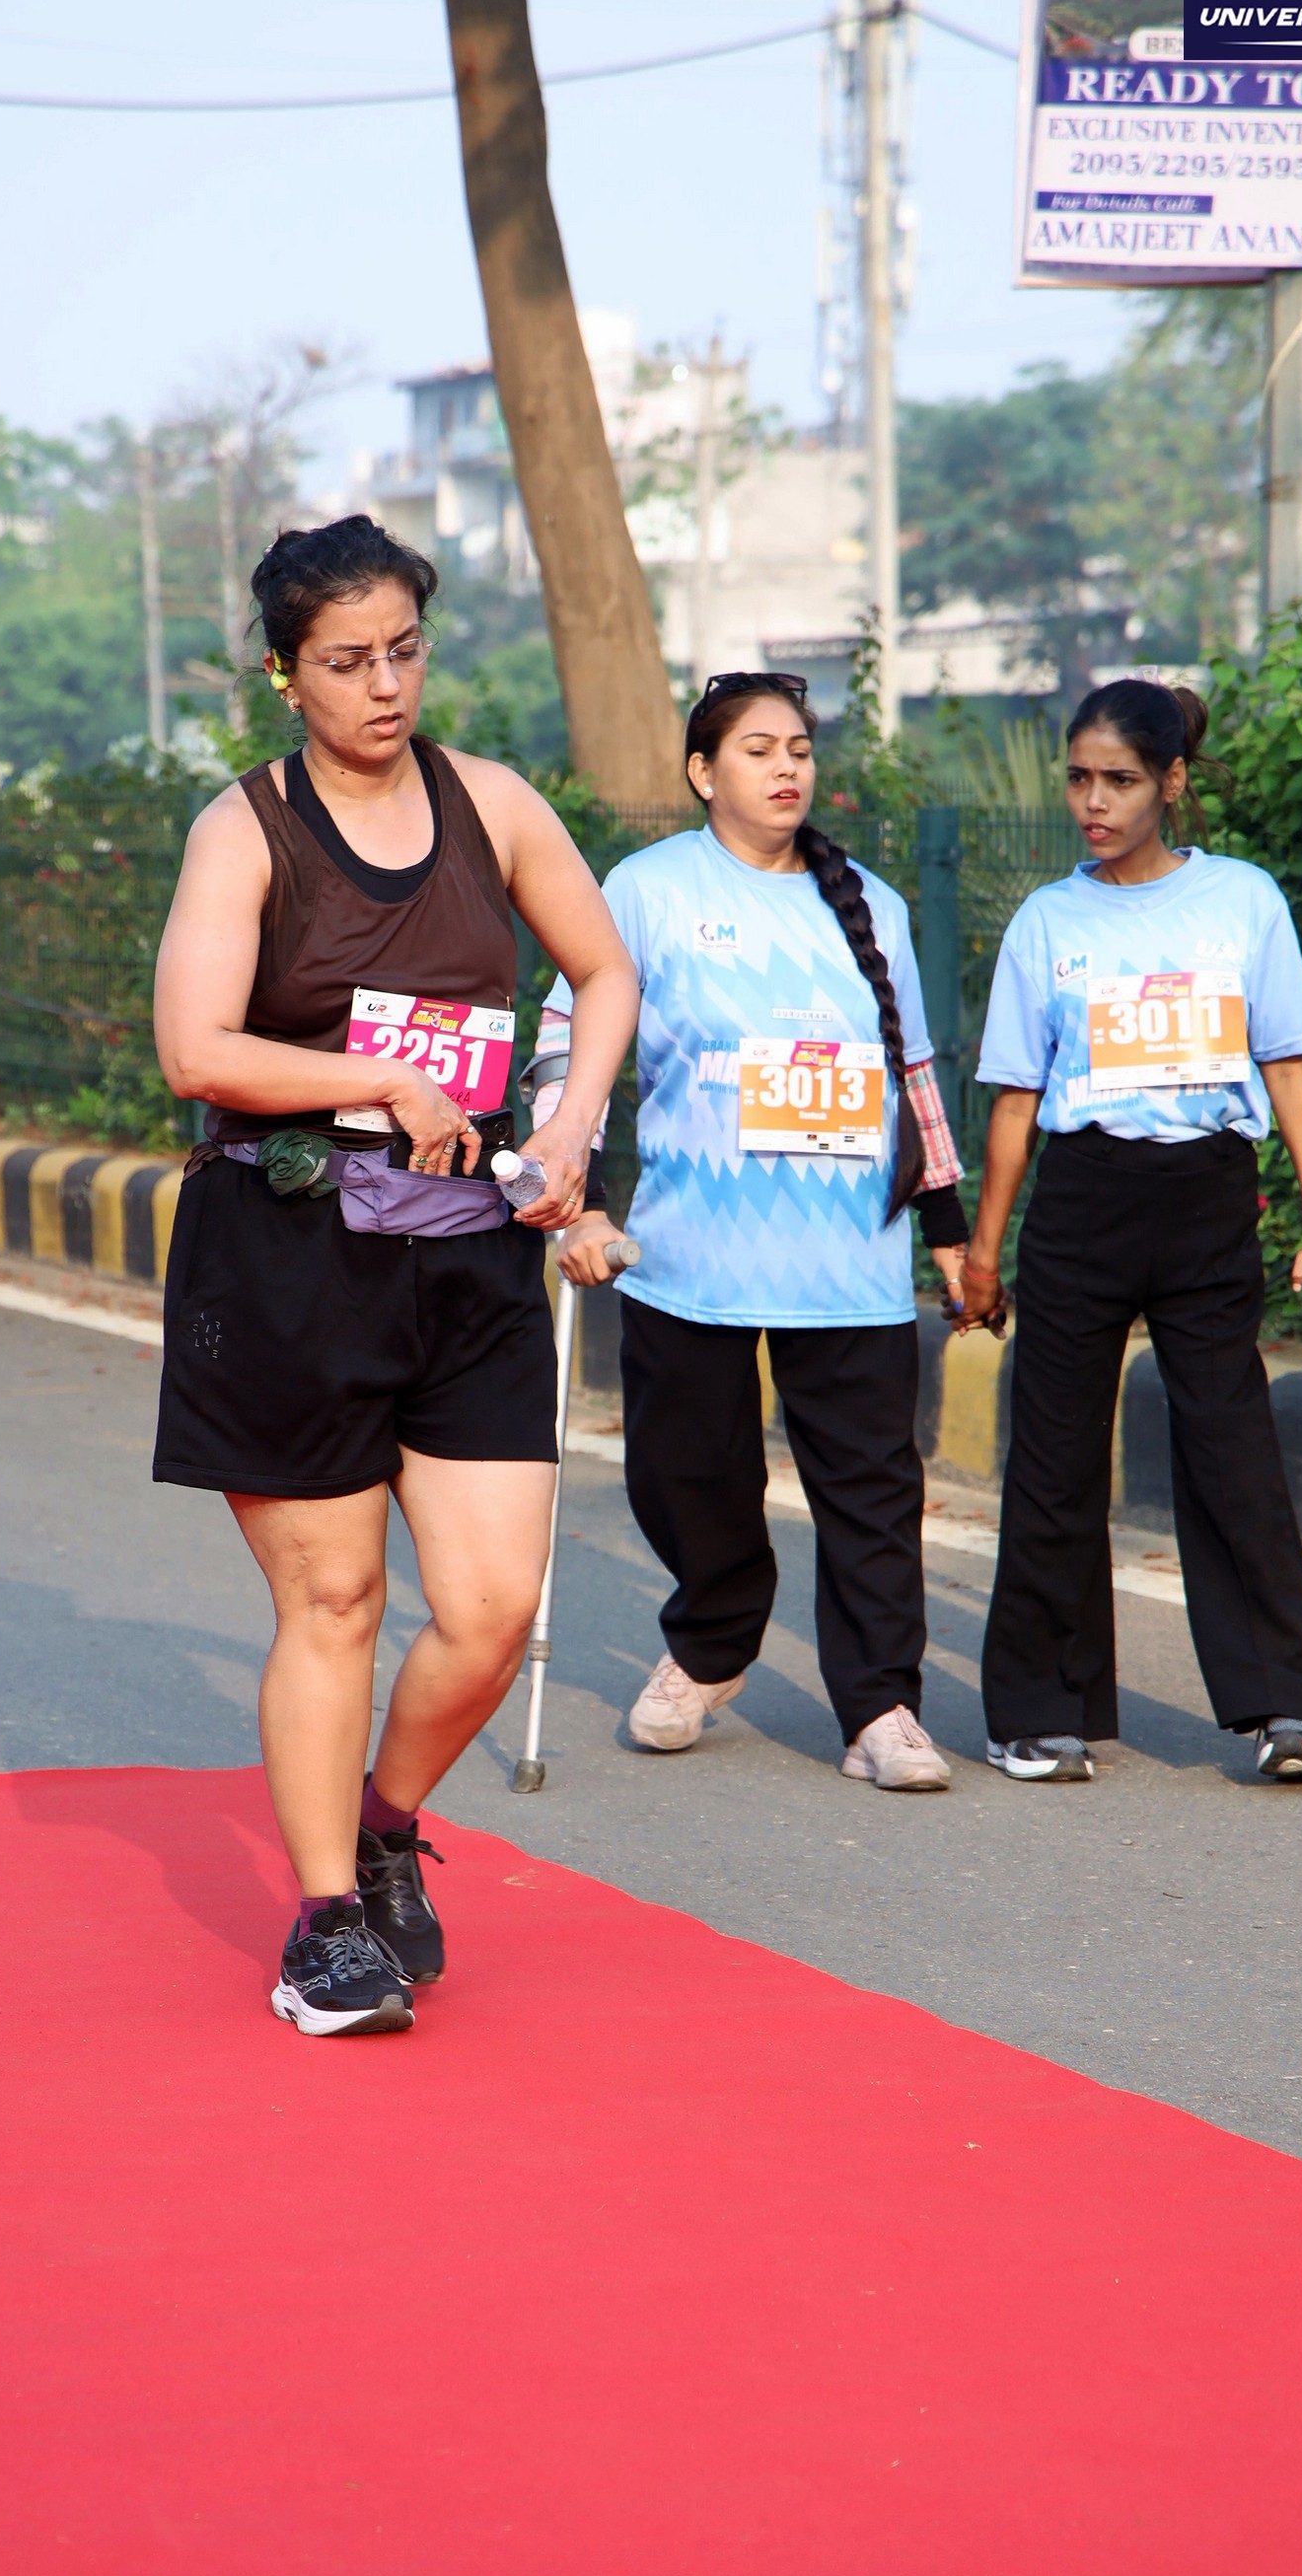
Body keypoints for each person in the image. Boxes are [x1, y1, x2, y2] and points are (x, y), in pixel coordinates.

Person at [153, 515, 637, 2035]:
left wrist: (569, 1125)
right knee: (340, 1596)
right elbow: (195, 1049)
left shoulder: (492, 805)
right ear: (286, 676)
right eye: (349, 661)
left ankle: (382, 1826)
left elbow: (603, 969)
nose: (384, 687)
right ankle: (322, 1929)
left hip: (469, 1251)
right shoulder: (246, 830)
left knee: (492, 1607)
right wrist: (374, 1076)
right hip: (286, 1252)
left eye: (405, 653)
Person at [537, 671, 973, 1790]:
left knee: (871, 1494)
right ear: (702, 772)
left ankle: (881, 1709)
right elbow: (567, 1044)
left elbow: (913, 1072)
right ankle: (712, 1640)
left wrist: (948, 1227)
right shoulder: (646, 891)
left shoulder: (873, 904)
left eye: (800, 750)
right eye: (758, 750)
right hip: (689, 1257)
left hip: (848, 1261)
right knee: (683, 1476)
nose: (786, 769)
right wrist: (574, 1200)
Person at [961, 676, 1302, 1789]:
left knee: (1232, 1451)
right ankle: (1037, 1710)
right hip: (1081, 1202)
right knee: (1053, 1460)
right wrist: (983, 1257)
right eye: (1079, 779)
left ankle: (1287, 1706)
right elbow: (1014, 1103)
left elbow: (1286, 1069)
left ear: (1171, 782)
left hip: (1207, 1202)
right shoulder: (1047, 920)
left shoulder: (1241, 900)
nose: (1095, 803)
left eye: (1121, 781)